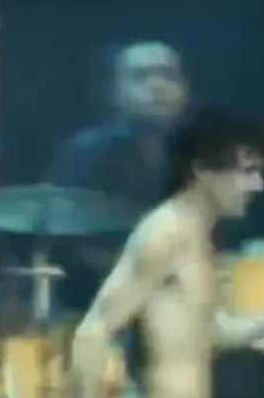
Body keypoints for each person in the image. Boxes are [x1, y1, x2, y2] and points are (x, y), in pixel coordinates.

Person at [70, 105, 264, 398]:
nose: (258, 186)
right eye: (247, 171)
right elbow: (93, 332)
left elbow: (212, 332)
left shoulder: (201, 236)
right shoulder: (165, 231)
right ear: (202, 170)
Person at [42, 41, 190, 312]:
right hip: (97, 301)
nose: (157, 85)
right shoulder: (84, 152)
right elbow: (63, 242)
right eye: (140, 77)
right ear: (114, 93)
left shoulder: (202, 153)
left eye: (168, 75)